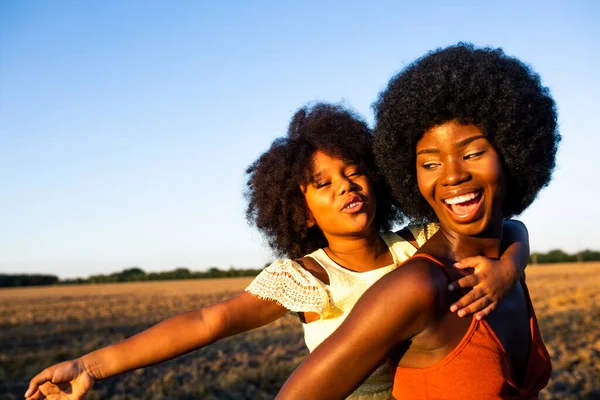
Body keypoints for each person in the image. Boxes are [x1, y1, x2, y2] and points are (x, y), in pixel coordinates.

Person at [25, 103, 530, 400]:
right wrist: (91, 367)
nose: (345, 188)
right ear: (302, 211)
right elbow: (208, 321)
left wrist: (510, 267)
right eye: (323, 184)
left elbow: (508, 225)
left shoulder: (416, 244)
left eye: (353, 172)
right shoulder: (308, 277)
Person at [276, 44, 560, 400]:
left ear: (512, 153)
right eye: (429, 164)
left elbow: (514, 226)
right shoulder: (418, 286)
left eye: (471, 153)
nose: (453, 175)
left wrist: (510, 265)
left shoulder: (507, 262)